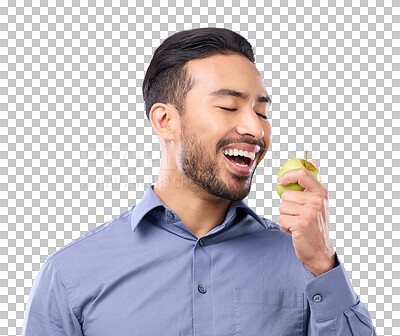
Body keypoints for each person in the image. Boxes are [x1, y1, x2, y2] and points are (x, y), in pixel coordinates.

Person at [22, 27, 377, 335]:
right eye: (228, 106)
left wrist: (322, 264)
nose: (255, 128)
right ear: (165, 121)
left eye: (262, 112)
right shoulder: (70, 273)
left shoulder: (305, 262)